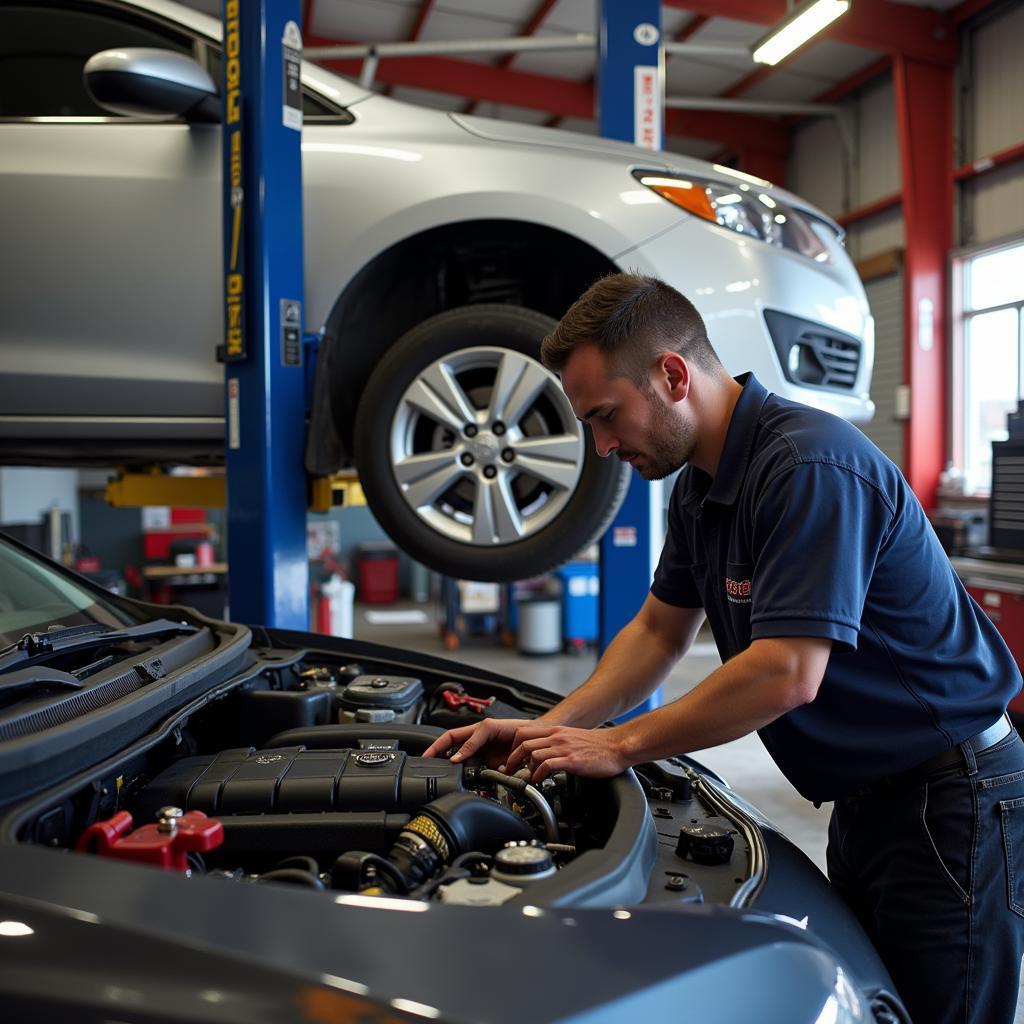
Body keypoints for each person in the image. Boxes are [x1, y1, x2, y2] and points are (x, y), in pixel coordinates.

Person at [423, 272, 1024, 1024]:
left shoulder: (807, 467)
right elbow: (658, 629)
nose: (604, 446)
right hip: (872, 796)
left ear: (672, 375)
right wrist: (559, 728)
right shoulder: (702, 486)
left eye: (608, 416)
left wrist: (621, 744)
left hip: (952, 796)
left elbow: (786, 672)